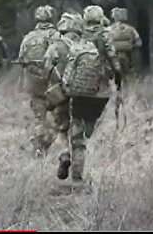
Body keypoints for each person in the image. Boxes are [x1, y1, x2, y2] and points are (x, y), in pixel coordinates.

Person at [43, 12, 110, 190]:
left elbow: (46, 69)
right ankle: (77, 179)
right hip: (81, 96)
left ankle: (65, 154)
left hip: (61, 97)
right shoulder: (85, 46)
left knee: (61, 130)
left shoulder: (55, 47)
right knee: (79, 139)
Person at [17, 5, 61, 157]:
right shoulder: (56, 36)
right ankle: (55, 144)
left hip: (34, 85)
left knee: (39, 118)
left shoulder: (28, 37)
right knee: (59, 118)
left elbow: (21, 59)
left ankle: (38, 148)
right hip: (52, 83)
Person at [109, 7, 142, 78]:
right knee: (130, 70)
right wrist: (134, 46)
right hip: (128, 53)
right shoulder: (131, 29)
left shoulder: (110, 28)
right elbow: (138, 41)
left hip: (115, 53)